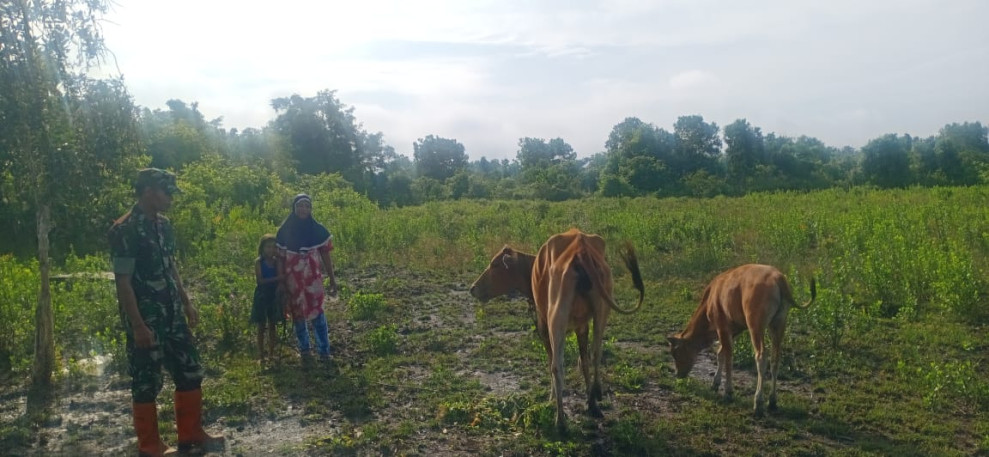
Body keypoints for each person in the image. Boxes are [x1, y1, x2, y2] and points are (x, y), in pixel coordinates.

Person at [108, 168, 224, 457]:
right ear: (149, 192)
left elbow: (172, 267)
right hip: (146, 319)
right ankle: (149, 446)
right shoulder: (124, 229)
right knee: (146, 380)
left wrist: (186, 302)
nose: (171, 199)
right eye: (167, 192)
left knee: (190, 370)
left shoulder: (164, 225)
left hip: (172, 313)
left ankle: (191, 434)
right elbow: (123, 282)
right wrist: (137, 326)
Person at [276, 193, 337, 363]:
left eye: (306, 206)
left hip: (313, 281)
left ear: (310, 209)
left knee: (318, 313)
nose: (303, 209)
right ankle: (304, 349)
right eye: (300, 206)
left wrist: (332, 278)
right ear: (294, 208)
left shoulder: (317, 230)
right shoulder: (284, 231)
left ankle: (324, 350)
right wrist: (281, 282)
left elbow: (326, 257)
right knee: (298, 314)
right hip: (292, 281)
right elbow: (280, 259)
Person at [252, 234, 284, 362]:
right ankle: (261, 355)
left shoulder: (277, 261)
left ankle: (271, 354)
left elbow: (281, 277)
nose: (270, 250)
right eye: (268, 247)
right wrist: (278, 278)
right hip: (262, 295)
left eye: (273, 247)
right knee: (261, 326)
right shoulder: (259, 262)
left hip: (274, 295)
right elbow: (260, 281)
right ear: (262, 248)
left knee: (272, 325)